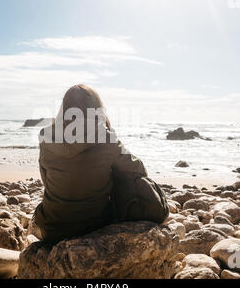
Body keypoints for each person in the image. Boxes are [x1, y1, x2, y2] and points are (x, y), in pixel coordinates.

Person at [34, 84, 169, 244]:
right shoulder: (104, 136)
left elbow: (46, 179)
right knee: (121, 172)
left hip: (52, 227)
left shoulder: (46, 136)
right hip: (95, 225)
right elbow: (137, 169)